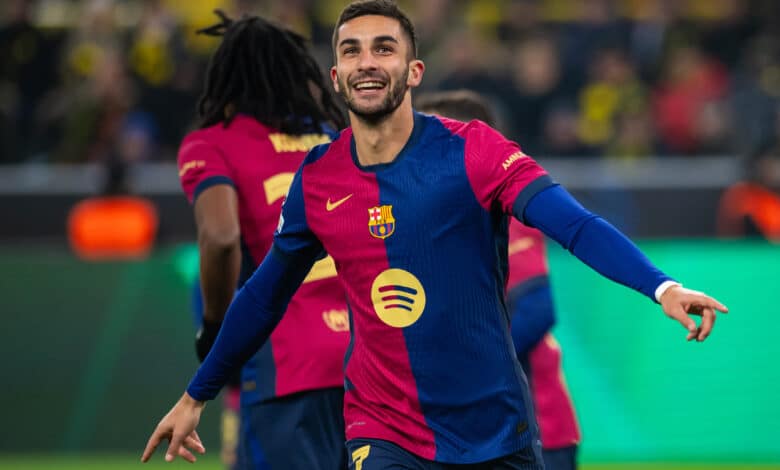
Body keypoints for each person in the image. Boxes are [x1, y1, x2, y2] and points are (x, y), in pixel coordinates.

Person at [142, 1, 728, 468]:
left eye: (384, 48)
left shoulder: (473, 150)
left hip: (495, 427)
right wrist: (198, 393)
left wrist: (661, 288)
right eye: (352, 50)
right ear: (337, 76)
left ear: (413, 70)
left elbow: (573, 225)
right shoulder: (317, 179)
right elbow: (265, 293)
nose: (367, 61)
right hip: (382, 429)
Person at [174, 11, 349, 469]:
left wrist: (215, 330)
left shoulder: (212, 143)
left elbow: (221, 236)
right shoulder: (331, 139)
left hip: (283, 365)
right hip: (363, 362)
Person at [416, 90, 581, 470]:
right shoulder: (436, 217)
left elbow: (539, 309)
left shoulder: (503, 210)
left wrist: (467, 359)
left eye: (430, 131)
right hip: (473, 427)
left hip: (537, 426)